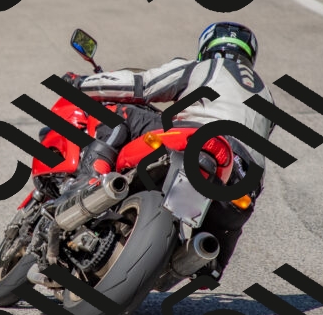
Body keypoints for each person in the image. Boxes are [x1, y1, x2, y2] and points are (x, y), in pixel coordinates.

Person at [62, 22, 275, 279]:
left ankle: (88, 183)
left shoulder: (203, 67)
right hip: (242, 183)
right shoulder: (267, 96)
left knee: (117, 113)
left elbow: (140, 84)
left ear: (206, 46)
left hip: (198, 139)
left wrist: (81, 83)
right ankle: (206, 262)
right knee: (212, 256)